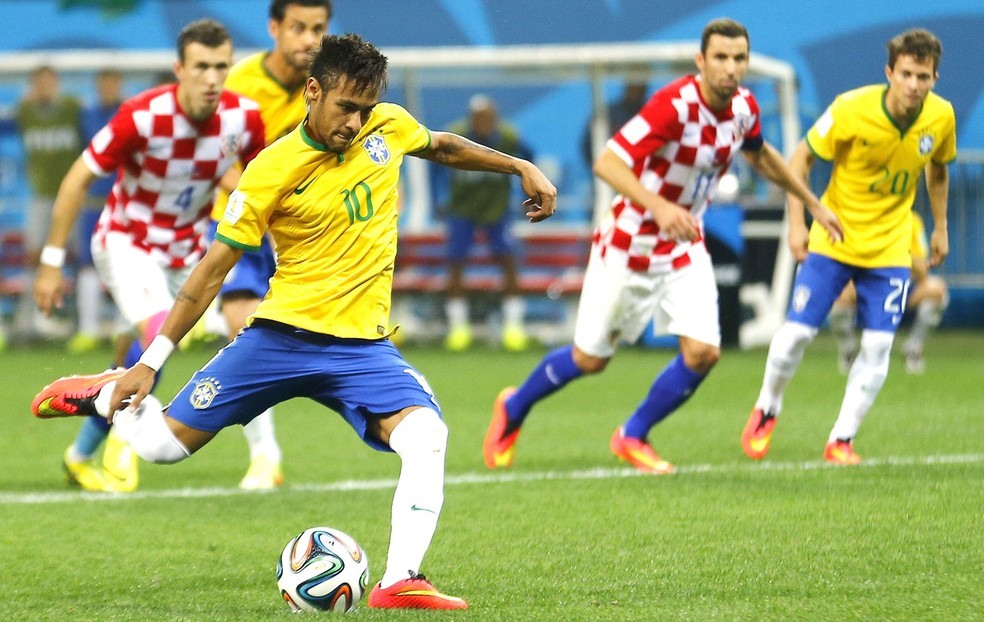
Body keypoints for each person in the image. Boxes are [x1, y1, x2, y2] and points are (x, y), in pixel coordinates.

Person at [31, 33, 556, 609]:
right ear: (313, 91)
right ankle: (106, 396)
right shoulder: (269, 169)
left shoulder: (389, 126)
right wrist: (151, 362)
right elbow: (211, 271)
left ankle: (400, 579)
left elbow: (443, 147)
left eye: (364, 109)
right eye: (344, 107)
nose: (355, 122)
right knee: (160, 448)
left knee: (428, 436)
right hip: (278, 340)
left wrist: (518, 166)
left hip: (364, 349)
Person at [483, 17, 842, 474]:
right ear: (701, 61)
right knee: (590, 360)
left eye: (739, 59)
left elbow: (760, 153)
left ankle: (633, 434)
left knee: (704, 353)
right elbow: (607, 162)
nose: (731, 68)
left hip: (682, 246)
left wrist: (810, 200)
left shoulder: (744, 107)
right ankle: (513, 408)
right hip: (630, 242)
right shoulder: (674, 106)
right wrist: (661, 208)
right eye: (721, 58)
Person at [32, 19, 265, 492]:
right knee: (162, 333)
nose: (212, 78)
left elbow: (256, 178)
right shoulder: (141, 116)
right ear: (179, 68)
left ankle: (79, 455)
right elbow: (78, 177)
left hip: (184, 252)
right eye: (201, 66)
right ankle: (128, 434)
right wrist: (52, 261)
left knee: (141, 351)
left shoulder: (245, 118)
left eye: (222, 66)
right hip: (126, 240)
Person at [742, 28, 955, 465]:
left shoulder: (942, 116)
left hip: (891, 246)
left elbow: (937, 170)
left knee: (878, 346)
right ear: (889, 73)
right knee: (796, 334)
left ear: (935, 77)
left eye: (925, 76)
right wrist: (798, 221)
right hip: (834, 236)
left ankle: (841, 439)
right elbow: (800, 158)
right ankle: (767, 408)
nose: (915, 85)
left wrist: (940, 227)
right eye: (907, 74)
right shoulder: (850, 109)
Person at [210, 0, 332, 491]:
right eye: (298, 28)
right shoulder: (239, 84)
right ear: (274, 28)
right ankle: (265, 454)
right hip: (241, 218)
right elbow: (216, 159)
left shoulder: (330, 85)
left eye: (318, 29)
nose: (308, 39)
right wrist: (261, 198)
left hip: (302, 226)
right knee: (242, 325)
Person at [438, 94, 534, 352]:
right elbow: (433, 164)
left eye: (489, 118)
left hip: (496, 210)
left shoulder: (508, 137)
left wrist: (530, 191)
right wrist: (439, 197)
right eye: (479, 119)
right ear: (471, 119)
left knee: (508, 261)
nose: (484, 124)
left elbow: (528, 159)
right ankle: (458, 328)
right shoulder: (455, 136)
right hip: (462, 209)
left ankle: (514, 328)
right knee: (456, 263)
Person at [828, 210, 948, 375]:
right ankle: (849, 351)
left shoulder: (912, 221)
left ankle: (913, 348)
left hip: (902, 289)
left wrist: (898, 247)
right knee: (840, 292)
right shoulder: (863, 218)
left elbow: (922, 271)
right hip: (869, 288)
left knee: (936, 289)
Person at [14, 65, 84, 342]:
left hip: (71, 196)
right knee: (33, 257)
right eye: (39, 83)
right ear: (33, 86)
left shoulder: (72, 109)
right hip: (40, 197)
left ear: (57, 84)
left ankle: (80, 323)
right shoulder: (25, 113)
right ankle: (26, 323)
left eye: (49, 82)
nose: (44, 88)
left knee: (79, 258)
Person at [67, 68, 125, 355]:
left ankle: (121, 328)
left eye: (112, 81)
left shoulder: (130, 114)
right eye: (103, 82)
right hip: (92, 202)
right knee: (88, 264)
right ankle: (88, 329)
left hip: (124, 202)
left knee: (124, 265)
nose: (108, 87)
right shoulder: (85, 116)